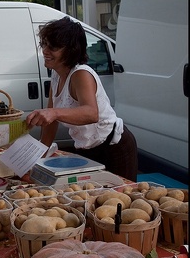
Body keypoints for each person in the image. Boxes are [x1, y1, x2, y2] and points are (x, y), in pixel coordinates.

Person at [26, 16, 138, 182]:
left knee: (121, 198)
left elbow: (91, 113)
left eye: (53, 46)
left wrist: (54, 112)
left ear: (71, 49)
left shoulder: (81, 73)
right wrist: (38, 154)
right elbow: (51, 123)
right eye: (44, 44)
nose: (45, 51)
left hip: (114, 148)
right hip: (87, 149)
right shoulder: (56, 75)